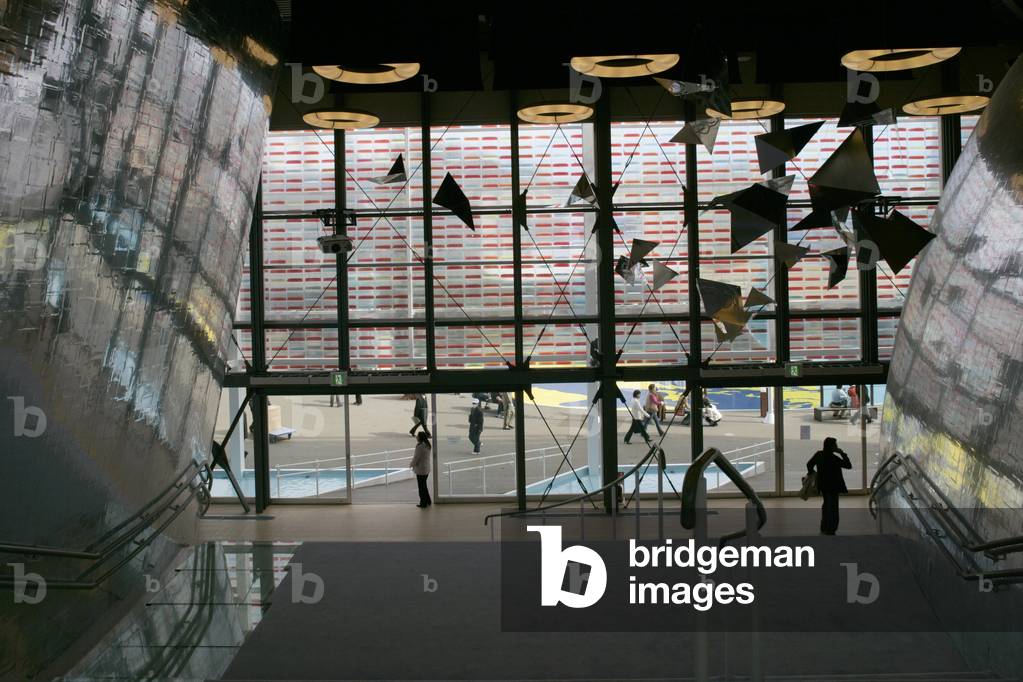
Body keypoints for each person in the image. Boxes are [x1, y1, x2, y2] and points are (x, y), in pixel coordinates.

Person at [806, 437, 852, 535]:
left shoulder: (819, 454)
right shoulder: (834, 458)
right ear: (832, 447)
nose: (836, 446)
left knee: (826, 504)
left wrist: (814, 473)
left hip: (823, 485)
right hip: (834, 485)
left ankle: (824, 525)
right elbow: (848, 465)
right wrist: (842, 453)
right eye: (835, 445)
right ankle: (831, 528)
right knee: (833, 507)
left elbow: (809, 464)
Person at [409, 431, 432, 508]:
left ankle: (423, 503)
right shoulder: (427, 445)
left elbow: (416, 458)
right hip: (426, 468)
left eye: (417, 436)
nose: (416, 437)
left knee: (421, 487)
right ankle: (428, 500)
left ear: (420, 437)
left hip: (421, 470)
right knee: (424, 485)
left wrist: (411, 465)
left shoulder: (420, 446)